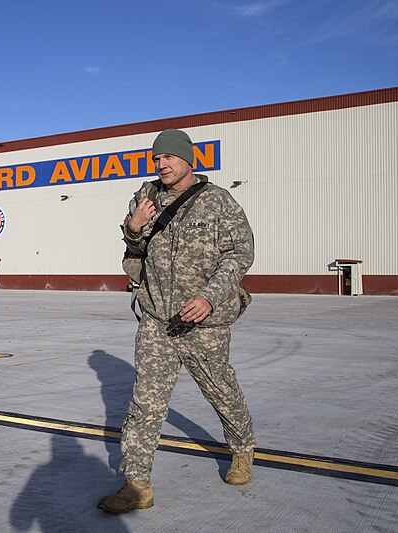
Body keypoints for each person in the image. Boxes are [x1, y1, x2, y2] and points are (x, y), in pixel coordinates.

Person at [98, 129, 256, 514]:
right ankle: (137, 484)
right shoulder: (145, 198)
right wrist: (133, 227)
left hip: (204, 322)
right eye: (156, 159)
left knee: (221, 391)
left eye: (169, 157)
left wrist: (208, 297)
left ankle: (242, 450)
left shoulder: (218, 202)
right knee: (145, 403)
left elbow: (239, 255)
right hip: (156, 319)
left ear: (189, 160)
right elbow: (135, 250)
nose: (162, 164)